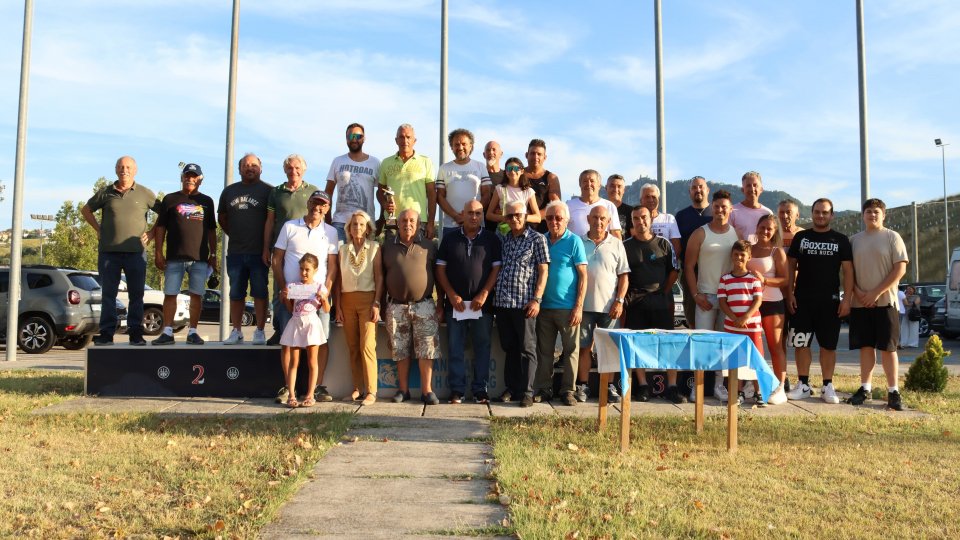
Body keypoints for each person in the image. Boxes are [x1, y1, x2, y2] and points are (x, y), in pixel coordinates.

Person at [82, 156, 160, 346]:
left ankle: (135, 333)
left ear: (135, 170)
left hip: (136, 253)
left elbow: (164, 213)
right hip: (109, 252)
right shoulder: (106, 192)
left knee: (137, 295)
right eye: (120, 167)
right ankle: (107, 334)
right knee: (108, 295)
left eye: (128, 167)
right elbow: (86, 210)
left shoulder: (144, 193)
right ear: (116, 170)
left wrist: (151, 233)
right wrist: (98, 230)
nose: (124, 170)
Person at [785, 198, 853, 405]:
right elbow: (790, 267)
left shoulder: (841, 239)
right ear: (812, 213)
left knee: (828, 346)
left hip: (830, 302)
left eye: (825, 212)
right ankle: (803, 384)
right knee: (801, 343)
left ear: (832, 215)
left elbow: (849, 272)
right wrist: (790, 293)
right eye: (817, 212)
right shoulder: (801, 237)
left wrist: (846, 299)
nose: (820, 215)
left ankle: (827, 385)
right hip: (802, 300)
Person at [273, 190, 338, 403]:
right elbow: (277, 260)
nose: (317, 208)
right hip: (291, 295)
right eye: (315, 203)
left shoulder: (331, 232)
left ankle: (316, 388)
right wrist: (284, 289)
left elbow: (332, 267)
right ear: (308, 203)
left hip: (317, 298)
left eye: (323, 205)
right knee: (289, 344)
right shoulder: (290, 226)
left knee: (321, 341)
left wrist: (326, 291)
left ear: (327, 209)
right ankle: (287, 388)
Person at [436, 200, 502, 404]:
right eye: (470, 213)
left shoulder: (492, 239)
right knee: (455, 347)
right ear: (462, 214)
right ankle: (457, 390)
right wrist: (451, 295)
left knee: (482, 346)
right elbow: (440, 270)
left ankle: (480, 389)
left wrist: (483, 294)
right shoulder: (449, 238)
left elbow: (496, 269)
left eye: (478, 213)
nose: (474, 217)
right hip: (455, 305)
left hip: (482, 305)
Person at [848, 198, 908, 411]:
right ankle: (865, 388)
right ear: (862, 215)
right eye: (868, 212)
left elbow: (899, 269)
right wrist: (859, 294)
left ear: (883, 215)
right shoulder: (854, 240)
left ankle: (893, 391)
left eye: (876, 212)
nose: (872, 215)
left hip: (885, 302)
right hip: (860, 303)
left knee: (888, 348)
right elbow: (848, 272)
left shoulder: (893, 237)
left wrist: (875, 293)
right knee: (865, 347)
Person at [151, 163, 217, 346]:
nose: (190, 179)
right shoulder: (170, 199)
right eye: (187, 175)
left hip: (199, 259)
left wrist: (214, 254)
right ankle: (167, 332)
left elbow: (212, 230)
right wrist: (158, 252)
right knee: (170, 294)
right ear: (182, 178)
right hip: (174, 257)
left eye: (194, 176)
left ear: (200, 180)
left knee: (196, 295)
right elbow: (161, 227)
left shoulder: (207, 201)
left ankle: (193, 332)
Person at [382, 209, 442, 405]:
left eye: (412, 221)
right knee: (400, 350)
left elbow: (439, 276)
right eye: (404, 220)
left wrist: (440, 303)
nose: (408, 224)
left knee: (427, 349)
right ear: (398, 224)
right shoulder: (387, 246)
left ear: (418, 224)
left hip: (424, 305)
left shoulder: (429, 245)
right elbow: (381, 278)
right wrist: (381, 304)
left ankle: (427, 390)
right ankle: (403, 390)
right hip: (396, 306)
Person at [623, 206, 682, 402]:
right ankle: (643, 386)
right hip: (635, 304)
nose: (641, 222)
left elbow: (674, 270)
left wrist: (664, 291)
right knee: (638, 345)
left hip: (661, 302)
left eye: (644, 217)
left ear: (651, 220)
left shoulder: (664, 244)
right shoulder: (625, 246)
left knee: (668, 345)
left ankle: (672, 387)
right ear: (632, 221)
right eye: (636, 218)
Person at [684, 190, 739, 401]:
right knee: (701, 343)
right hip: (705, 297)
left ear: (730, 209)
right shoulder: (700, 233)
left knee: (722, 345)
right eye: (716, 206)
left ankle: (719, 386)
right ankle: (696, 387)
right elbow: (688, 266)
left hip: (728, 298)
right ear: (712, 208)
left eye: (724, 206)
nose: (720, 210)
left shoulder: (736, 234)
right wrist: (696, 294)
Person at [494, 200, 549, 407]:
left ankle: (527, 391)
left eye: (518, 215)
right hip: (503, 302)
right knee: (509, 348)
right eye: (510, 216)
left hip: (525, 304)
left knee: (527, 349)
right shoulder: (504, 239)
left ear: (525, 216)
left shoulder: (537, 239)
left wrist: (537, 299)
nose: (514, 219)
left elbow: (543, 271)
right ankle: (512, 388)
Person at [535, 201, 587, 406]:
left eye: (558, 218)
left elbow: (583, 276)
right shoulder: (541, 240)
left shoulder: (574, 241)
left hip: (568, 308)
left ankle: (568, 391)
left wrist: (579, 306)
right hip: (544, 307)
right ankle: (544, 389)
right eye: (549, 218)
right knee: (544, 352)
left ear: (567, 220)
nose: (554, 221)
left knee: (571, 352)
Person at [264, 154, 320, 345]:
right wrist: (266, 248)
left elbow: (321, 218)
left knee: (308, 291)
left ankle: (309, 333)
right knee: (280, 291)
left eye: (297, 168)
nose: (293, 171)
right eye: (290, 168)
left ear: (303, 170)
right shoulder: (276, 192)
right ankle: (279, 330)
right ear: (285, 170)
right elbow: (270, 221)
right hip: (282, 249)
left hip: (308, 252)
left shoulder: (312, 190)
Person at [575, 205, 629, 404]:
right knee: (584, 348)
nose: (598, 222)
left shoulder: (616, 244)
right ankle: (583, 385)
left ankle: (609, 385)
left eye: (602, 219)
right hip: (584, 307)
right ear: (588, 219)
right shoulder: (578, 242)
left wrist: (619, 301)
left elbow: (624, 277)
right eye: (595, 217)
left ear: (608, 221)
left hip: (610, 308)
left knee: (610, 348)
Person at [219, 153, 272, 345]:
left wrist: (268, 246)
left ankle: (259, 330)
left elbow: (272, 221)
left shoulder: (268, 191)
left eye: (254, 165)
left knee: (259, 292)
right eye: (246, 165)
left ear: (260, 168)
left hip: (259, 252)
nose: (250, 168)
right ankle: (236, 331)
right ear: (240, 168)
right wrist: (235, 234)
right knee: (236, 293)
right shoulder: (229, 191)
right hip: (236, 252)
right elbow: (222, 218)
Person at [334, 210, 383, 407]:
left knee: (367, 346)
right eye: (354, 224)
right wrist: (337, 305)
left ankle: (371, 391)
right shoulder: (342, 250)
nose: (358, 228)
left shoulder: (375, 248)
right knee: (353, 347)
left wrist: (377, 302)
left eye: (362, 224)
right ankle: (357, 388)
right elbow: (337, 281)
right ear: (349, 228)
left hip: (368, 299)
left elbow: (380, 277)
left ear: (368, 228)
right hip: (346, 300)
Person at [746, 214, 789, 404]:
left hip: (772, 303)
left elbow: (785, 279)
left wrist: (765, 280)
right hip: (749, 304)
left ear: (774, 232)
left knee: (775, 346)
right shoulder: (748, 249)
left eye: (769, 229)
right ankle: (753, 385)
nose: (764, 231)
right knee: (753, 347)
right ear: (756, 227)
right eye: (762, 227)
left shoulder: (777, 252)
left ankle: (780, 387)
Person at [279, 253, 330, 408]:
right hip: (296, 322)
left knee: (312, 361)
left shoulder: (320, 287)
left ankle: (310, 395)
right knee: (294, 361)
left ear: (315, 270)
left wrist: (324, 299)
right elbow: (290, 308)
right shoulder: (292, 286)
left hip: (312, 324)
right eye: (301, 269)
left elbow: (326, 310)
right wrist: (286, 297)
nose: (304, 273)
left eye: (307, 269)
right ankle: (292, 395)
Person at [718, 240, 765, 406]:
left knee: (756, 359)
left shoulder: (753, 279)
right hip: (732, 327)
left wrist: (745, 317)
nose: (739, 257)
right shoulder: (725, 279)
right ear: (731, 255)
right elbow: (723, 302)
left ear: (749, 257)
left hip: (752, 326)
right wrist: (734, 318)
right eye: (736, 254)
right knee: (736, 360)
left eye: (742, 254)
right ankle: (737, 392)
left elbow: (758, 301)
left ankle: (759, 392)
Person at [378, 124, 437, 239]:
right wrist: (385, 204)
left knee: (417, 256)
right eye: (401, 137)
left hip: (418, 220)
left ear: (414, 140)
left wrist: (431, 223)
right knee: (392, 255)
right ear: (396, 140)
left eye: (408, 137)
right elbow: (380, 192)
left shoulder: (426, 161)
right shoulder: (386, 162)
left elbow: (432, 194)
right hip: (392, 221)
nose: (405, 140)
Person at [325, 123, 380, 244]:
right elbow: (328, 192)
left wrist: (381, 219)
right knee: (338, 260)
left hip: (365, 224)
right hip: (340, 223)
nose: (354, 139)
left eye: (358, 136)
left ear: (364, 138)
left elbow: (381, 193)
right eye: (350, 136)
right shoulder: (338, 161)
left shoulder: (375, 163)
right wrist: (328, 220)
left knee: (364, 262)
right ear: (346, 139)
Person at [436, 128, 491, 237]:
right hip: (451, 226)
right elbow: (440, 197)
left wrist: (471, 216)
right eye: (456, 144)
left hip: (476, 225)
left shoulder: (480, 166)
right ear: (451, 147)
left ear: (471, 146)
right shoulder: (444, 168)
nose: (460, 147)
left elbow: (487, 194)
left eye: (464, 144)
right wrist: (456, 216)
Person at [675, 176, 712, 328]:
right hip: (690, 272)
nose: (698, 190)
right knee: (691, 314)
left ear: (707, 190)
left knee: (713, 314)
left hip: (713, 272)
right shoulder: (681, 216)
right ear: (689, 192)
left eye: (701, 186)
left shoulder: (716, 212)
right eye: (694, 188)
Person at [486, 157, 542, 233]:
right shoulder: (499, 189)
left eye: (516, 168)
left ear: (522, 171)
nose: (512, 171)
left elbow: (538, 218)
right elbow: (488, 215)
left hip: (521, 232)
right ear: (505, 171)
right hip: (504, 233)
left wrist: (522, 217)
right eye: (509, 168)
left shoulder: (528, 191)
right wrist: (504, 218)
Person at [566, 169, 621, 238]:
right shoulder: (568, 205)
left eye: (592, 181)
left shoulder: (609, 206)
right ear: (580, 184)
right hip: (575, 248)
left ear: (599, 185)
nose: (588, 184)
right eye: (585, 181)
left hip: (601, 248)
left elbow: (616, 234)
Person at [524, 139, 561, 232]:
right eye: (532, 153)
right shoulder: (517, 174)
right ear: (526, 155)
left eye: (539, 154)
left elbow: (554, 205)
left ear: (545, 157)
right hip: (518, 227)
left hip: (542, 230)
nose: (536, 156)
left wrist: (532, 217)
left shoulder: (551, 178)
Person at [728, 171, 773, 244]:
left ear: (761, 189)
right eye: (748, 186)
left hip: (761, 255)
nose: (752, 189)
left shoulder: (768, 213)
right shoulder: (732, 211)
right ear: (743, 190)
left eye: (755, 185)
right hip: (739, 254)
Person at [639, 183, 681, 259]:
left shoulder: (669, 218)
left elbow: (676, 247)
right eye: (647, 197)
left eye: (654, 197)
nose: (651, 200)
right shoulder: (636, 219)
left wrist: (670, 267)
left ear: (659, 200)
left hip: (665, 266)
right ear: (641, 200)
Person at [482, 141, 504, 231]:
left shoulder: (507, 176)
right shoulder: (479, 175)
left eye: (494, 150)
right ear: (484, 154)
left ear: (501, 154)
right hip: (482, 227)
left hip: (503, 227)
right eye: (488, 150)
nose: (491, 153)